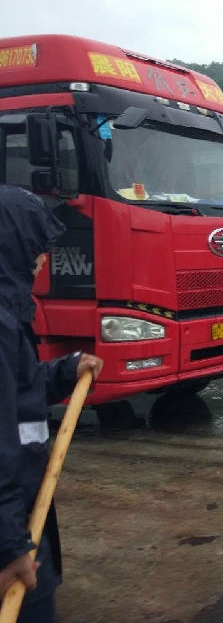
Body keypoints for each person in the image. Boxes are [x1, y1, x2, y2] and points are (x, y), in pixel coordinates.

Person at [0, 185, 104, 623]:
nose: (44, 258)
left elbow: (18, 393)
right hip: (12, 533)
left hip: (24, 515)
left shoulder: (11, 313)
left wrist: (65, 370)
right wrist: (8, 548)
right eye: (37, 246)